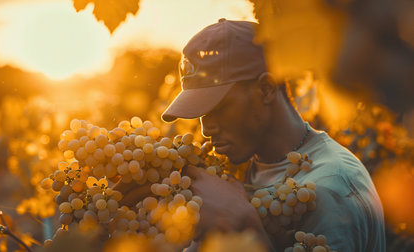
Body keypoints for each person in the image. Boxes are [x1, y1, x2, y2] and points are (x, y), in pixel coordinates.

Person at [160, 19, 386, 251]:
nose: (206, 130)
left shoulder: (330, 192)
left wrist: (244, 223)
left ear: (266, 89)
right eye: (201, 113)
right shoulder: (242, 168)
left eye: (218, 109)